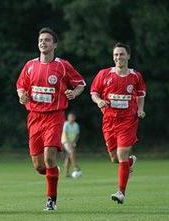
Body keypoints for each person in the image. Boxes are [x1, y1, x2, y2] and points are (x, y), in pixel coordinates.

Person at [16, 27, 86, 211]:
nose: (43, 43)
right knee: (40, 166)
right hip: (34, 117)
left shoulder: (62, 66)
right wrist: (22, 95)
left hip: (54, 117)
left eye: (47, 40)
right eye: (41, 40)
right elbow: (20, 86)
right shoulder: (30, 66)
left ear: (54, 44)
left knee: (49, 157)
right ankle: (53, 171)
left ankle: (51, 201)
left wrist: (73, 93)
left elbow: (80, 84)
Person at [90, 42, 146, 204]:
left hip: (128, 120)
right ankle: (130, 162)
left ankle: (121, 192)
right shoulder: (104, 74)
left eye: (121, 54)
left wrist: (141, 109)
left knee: (121, 155)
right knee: (115, 158)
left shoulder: (135, 76)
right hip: (109, 120)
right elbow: (94, 92)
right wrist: (99, 100)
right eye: (115, 55)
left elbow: (141, 94)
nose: (118, 57)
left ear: (128, 56)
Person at [61, 111, 82, 178]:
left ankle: (67, 173)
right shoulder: (66, 124)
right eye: (70, 117)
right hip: (65, 141)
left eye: (72, 117)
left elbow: (77, 135)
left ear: (74, 118)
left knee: (69, 157)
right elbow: (65, 134)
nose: (71, 118)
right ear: (68, 117)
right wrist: (69, 143)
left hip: (72, 142)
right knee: (72, 151)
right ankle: (75, 166)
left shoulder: (76, 125)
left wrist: (73, 142)